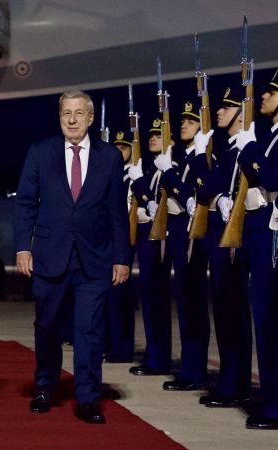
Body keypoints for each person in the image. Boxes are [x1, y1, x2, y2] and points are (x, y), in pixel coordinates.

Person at [14, 90, 130, 424]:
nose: (72, 120)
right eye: (66, 113)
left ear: (90, 118)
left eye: (79, 113)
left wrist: (122, 257)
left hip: (95, 258)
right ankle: (44, 386)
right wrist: (23, 248)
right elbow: (25, 203)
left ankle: (88, 397)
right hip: (49, 256)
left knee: (89, 330)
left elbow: (117, 211)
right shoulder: (40, 152)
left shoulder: (110, 157)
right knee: (47, 326)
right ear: (59, 117)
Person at [189, 86, 252, 409]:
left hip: (242, 239)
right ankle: (232, 383)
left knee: (234, 313)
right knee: (227, 314)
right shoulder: (230, 151)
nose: (219, 112)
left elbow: (209, 187)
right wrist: (200, 155)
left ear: (242, 114)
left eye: (226, 109)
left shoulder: (247, 148)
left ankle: (235, 385)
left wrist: (200, 157)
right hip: (225, 237)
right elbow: (209, 189)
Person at [228, 69, 278, 430]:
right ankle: (271, 399)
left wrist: (249, 148)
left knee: (270, 320)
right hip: (261, 234)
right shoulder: (271, 137)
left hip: (271, 236)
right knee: (265, 320)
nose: (263, 96)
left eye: (272, 93)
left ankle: (275, 406)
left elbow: (272, 176)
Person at [150, 101, 211, 391]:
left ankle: (195, 371)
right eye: (183, 121)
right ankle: (189, 369)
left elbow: (194, 193)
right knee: (185, 305)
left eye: (192, 121)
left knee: (194, 305)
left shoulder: (201, 158)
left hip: (192, 236)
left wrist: (170, 173)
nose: (184, 125)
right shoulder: (186, 159)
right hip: (177, 233)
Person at [127, 118, 174, 377]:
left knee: (157, 299)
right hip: (148, 240)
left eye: (159, 135)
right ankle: (153, 354)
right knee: (149, 298)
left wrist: (139, 184)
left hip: (160, 241)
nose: (153, 138)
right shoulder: (153, 170)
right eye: (151, 135)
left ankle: (159, 357)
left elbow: (155, 202)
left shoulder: (169, 168)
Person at [103, 130, 136, 363]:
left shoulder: (133, 174)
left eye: (123, 148)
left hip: (127, 237)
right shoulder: (112, 173)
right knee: (109, 296)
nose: (118, 152)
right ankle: (111, 343)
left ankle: (122, 347)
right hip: (108, 237)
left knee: (121, 295)